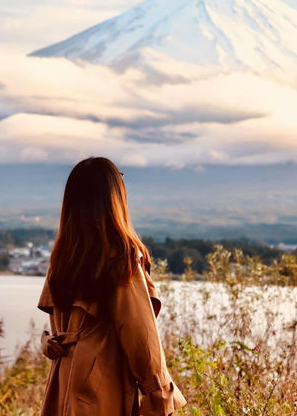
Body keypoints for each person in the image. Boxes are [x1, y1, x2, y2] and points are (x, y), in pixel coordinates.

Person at [37, 157, 186, 416]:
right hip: (99, 393)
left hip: (61, 389)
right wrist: (160, 396)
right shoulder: (120, 257)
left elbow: (57, 326)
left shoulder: (63, 257)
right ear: (114, 198)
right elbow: (141, 336)